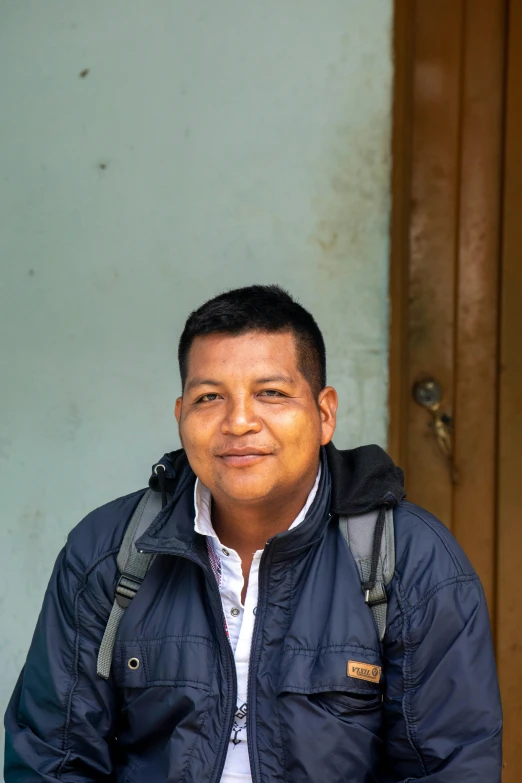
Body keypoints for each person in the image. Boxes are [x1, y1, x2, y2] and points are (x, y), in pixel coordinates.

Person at [5, 284, 502, 782]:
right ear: (181, 416)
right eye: (210, 397)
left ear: (324, 413)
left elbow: (451, 768)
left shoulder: (410, 562)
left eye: (271, 393)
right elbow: (52, 759)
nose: (239, 422)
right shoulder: (111, 553)